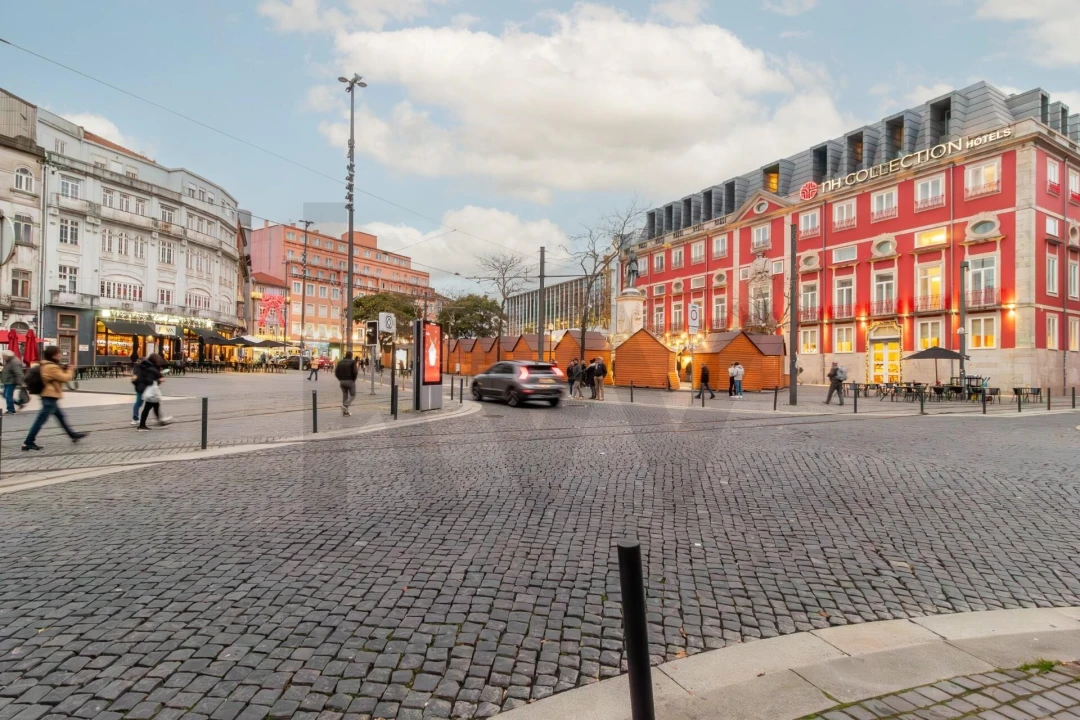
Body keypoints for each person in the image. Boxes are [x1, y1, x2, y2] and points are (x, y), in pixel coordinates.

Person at [22, 346, 88, 451]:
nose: (60, 355)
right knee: (40, 421)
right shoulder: (51, 367)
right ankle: (28, 442)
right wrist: (70, 370)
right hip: (49, 397)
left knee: (60, 417)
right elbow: (65, 378)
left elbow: (57, 375)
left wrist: (64, 369)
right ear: (54, 355)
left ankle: (72, 435)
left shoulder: (47, 365)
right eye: (59, 353)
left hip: (50, 396)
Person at [135, 354, 173, 430]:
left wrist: (159, 376)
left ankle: (160, 421)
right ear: (155, 360)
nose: (159, 361)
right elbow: (149, 380)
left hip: (151, 390)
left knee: (156, 405)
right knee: (147, 407)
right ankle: (142, 425)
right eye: (158, 360)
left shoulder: (150, 366)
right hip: (151, 391)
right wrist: (159, 380)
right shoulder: (150, 368)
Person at [2, 349, 27, 415]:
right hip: (7, 381)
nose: (3, 358)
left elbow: (19, 373)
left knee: (8, 396)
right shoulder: (9, 361)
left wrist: (21, 383)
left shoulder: (15, 362)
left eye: (3, 356)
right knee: (5, 395)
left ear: (7, 356)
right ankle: (19, 404)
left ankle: (11, 410)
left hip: (11, 382)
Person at [336, 352, 359, 416]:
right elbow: (355, 372)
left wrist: (340, 379)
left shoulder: (340, 362)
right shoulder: (353, 362)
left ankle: (345, 412)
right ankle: (345, 405)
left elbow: (336, 372)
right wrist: (353, 379)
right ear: (351, 356)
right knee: (353, 395)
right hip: (350, 380)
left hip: (342, 381)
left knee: (345, 395)